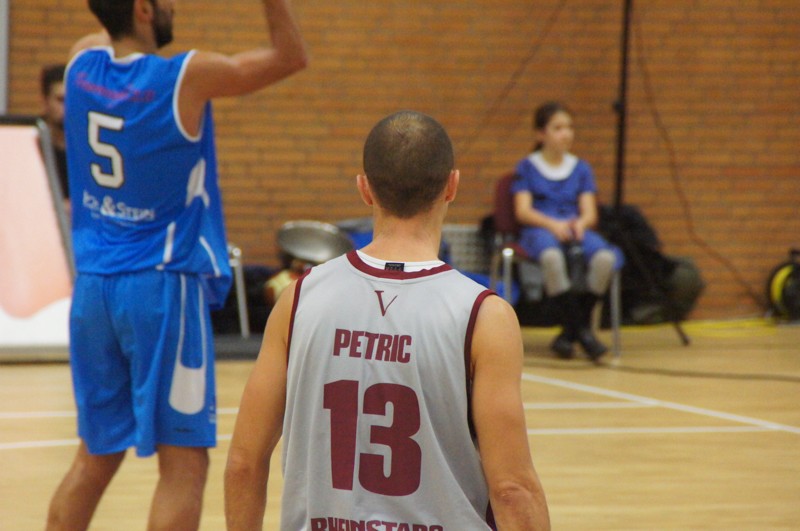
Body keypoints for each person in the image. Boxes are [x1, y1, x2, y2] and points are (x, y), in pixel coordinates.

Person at [46, 0, 307, 529]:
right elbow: (290, 57)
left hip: (94, 287)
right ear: (143, 9)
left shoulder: (80, 64)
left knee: (94, 457)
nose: (174, 7)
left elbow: (109, 27)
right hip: (161, 286)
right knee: (184, 464)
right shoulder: (185, 76)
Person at [224, 110, 550, 530]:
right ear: (452, 185)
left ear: (365, 188)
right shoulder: (484, 315)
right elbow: (512, 490)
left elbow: (243, 463)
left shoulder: (299, 298)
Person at [512, 101, 624, 361]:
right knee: (551, 257)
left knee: (605, 258)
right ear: (541, 134)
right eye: (558, 128)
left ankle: (571, 331)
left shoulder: (581, 168)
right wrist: (552, 224)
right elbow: (523, 211)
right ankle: (582, 331)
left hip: (574, 229)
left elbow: (589, 213)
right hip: (540, 229)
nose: (566, 134)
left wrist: (580, 224)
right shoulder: (527, 167)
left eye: (569, 128)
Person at [40, 64, 69, 201]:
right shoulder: (33, 147)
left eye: (72, 101)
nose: (68, 107)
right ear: (45, 102)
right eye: (61, 100)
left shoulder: (87, 149)